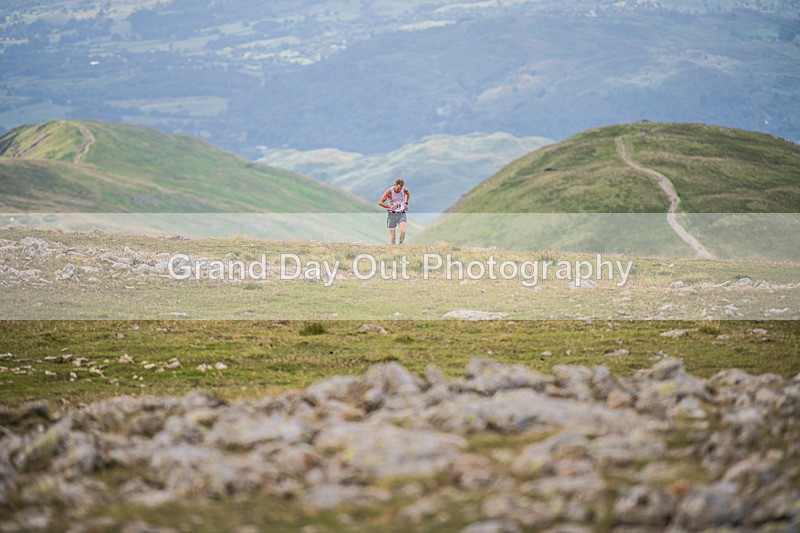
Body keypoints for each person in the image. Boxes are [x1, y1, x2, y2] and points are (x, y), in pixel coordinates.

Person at [378, 178, 410, 245]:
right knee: (393, 236)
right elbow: (380, 202)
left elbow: (407, 194)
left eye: (400, 189)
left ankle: (400, 245)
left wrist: (406, 203)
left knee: (403, 231)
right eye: (398, 188)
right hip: (392, 214)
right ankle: (393, 247)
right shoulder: (389, 191)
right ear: (395, 185)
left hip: (401, 213)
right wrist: (390, 206)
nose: (399, 190)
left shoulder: (404, 189)